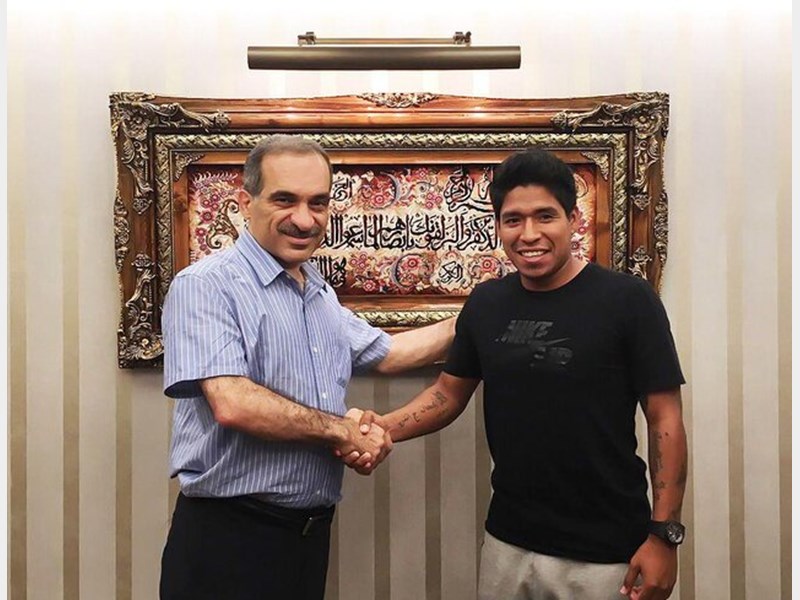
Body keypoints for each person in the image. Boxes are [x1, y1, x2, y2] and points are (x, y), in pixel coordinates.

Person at [355, 149, 688, 600]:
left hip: (606, 550)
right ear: (498, 225)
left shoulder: (628, 300)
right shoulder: (487, 302)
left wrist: (664, 535)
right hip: (508, 542)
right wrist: (379, 428)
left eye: (545, 216)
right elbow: (447, 395)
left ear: (574, 219)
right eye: (513, 220)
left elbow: (665, 418)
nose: (529, 234)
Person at [159, 134, 455, 600]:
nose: (304, 219)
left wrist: (478, 314)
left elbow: (391, 353)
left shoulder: (316, 291)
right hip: (229, 542)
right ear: (246, 203)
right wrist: (343, 432)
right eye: (285, 200)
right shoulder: (207, 284)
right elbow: (233, 404)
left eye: (318, 203)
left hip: (305, 539)